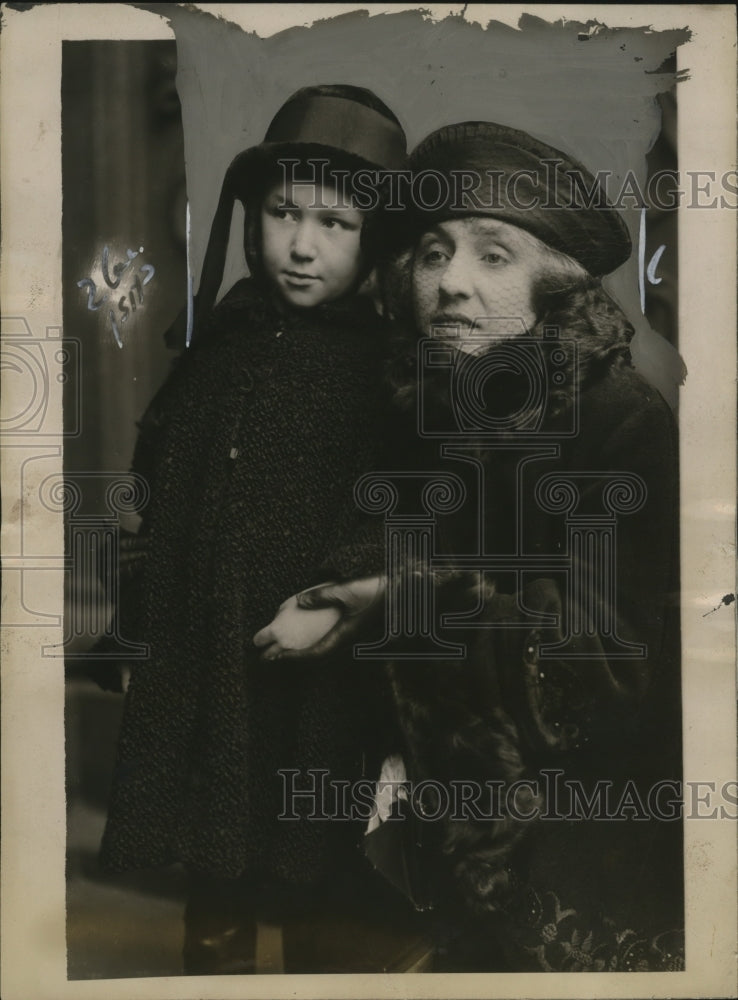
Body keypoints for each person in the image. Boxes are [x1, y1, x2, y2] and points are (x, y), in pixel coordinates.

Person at [261, 121, 683, 972]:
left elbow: (607, 667)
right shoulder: (427, 407)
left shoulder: (617, 419)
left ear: (555, 287)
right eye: (433, 253)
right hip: (426, 830)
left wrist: (410, 601)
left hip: (580, 851)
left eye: (493, 256)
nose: (451, 282)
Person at [98, 84, 431, 974]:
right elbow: (161, 483)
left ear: (375, 239)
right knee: (217, 877)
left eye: (335, 223)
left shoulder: (387, 371)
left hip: (318, 673)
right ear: (255, 220)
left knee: (320, 880)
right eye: (285, 214)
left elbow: (401, 502)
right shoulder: (223, 344)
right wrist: (140, 620)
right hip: (209, 654)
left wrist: (332, 601)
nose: (302, 244)